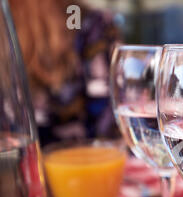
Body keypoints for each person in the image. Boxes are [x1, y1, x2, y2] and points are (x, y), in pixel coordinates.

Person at [9, 0, 121, 146]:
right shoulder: (91, 23)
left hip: (81, 164)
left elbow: (112, 129)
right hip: (75, 161)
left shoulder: (90, 24)